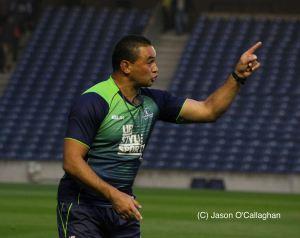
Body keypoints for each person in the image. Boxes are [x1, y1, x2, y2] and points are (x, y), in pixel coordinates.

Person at [57, 35, 262, 238]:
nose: (156, 68)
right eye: (150, 62)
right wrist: (113, 195)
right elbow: (72, 162)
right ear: (126, 66)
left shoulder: (154, 101)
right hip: (82, 207)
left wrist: (238, 76)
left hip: (124, 207)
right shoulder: (94, 101)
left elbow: (209, 110)